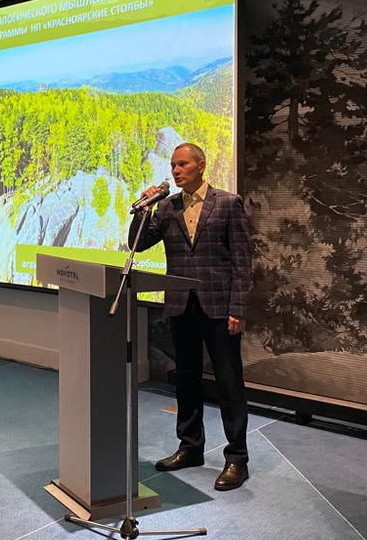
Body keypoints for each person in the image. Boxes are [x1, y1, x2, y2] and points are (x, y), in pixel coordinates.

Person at [128, 142, 252, 491]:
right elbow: (137, 244)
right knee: (186, 379)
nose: (176, 170)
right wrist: (142, 210)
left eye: (182, 164)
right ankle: (190, 447)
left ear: (201, 165)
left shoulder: (227, 203)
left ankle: (237, 457)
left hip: (219, 307)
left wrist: (238, 308)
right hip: (181, 305)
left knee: (228, 382)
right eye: (173, 165)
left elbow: (243, 262)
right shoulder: (166, 207)